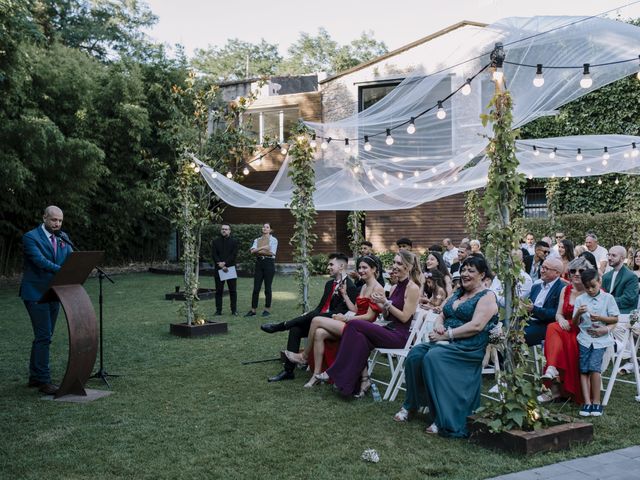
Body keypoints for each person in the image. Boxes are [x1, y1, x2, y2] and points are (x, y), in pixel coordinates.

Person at [393, 255, 499, 437]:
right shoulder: (458, 292)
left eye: (471, 271)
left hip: (468, 347)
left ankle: (441, 416)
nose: (465, 274)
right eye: (464, 269)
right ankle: (412, 405)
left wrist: (448, 334)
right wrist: (438, 326)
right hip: (445, 341)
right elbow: (442, 313)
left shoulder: (487, 297)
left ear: (482, 275)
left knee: (433, 357)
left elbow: (476, 326)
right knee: (416, 354)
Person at [315, 250, 421, 397]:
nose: (395, 266)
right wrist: (382, 305)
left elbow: (404, 318)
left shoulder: (413, 288)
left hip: (399, 337)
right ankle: (359, 383)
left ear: (408, 267)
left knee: (352, 325)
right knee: (359, 338)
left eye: (399, 263)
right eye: (394, 262)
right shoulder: (395, 287)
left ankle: (334, 371)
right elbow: (388, 315)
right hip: (388, 329)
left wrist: (385, 303)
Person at [284, 256, 384, 387]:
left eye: (365, 267)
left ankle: (304, 356)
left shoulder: (377, 288)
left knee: (316, 320)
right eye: (359, 267)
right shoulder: (364, 286)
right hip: (355, 323)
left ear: (374, 269)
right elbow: (356, 309)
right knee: (319, 332)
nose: (361, 270)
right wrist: (345, 296)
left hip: (363, 328)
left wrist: (346, 318)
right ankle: (316, 375)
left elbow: (369, 317)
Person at [260, 253, 357, 382]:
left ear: (341, 266)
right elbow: (320, 307)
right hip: (317, 319)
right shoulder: (329, 284)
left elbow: (339, 313)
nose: (328, 267)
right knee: (295, 329)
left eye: (331, 264)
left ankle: (280, 326)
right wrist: (309, 315)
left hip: (331, 324)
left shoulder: (350, 287)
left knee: (313, 316)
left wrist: (314, 315)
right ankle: (288, 371)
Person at [19, 206, 73, 395]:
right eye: (53, 220)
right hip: (35, 294)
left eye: (60, 221)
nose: (57, 224)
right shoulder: (30, 237)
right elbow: (40, 261)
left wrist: (75, 266)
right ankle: (44, 381)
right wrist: (63, 270)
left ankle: (35, 376)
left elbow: (71, 257)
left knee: (45, 336)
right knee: (43, 336)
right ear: (44, 218)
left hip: (55, 293)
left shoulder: (63, 237)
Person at [538, 256, 594, 404]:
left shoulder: (593, 290)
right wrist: (562, 319)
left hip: (584, 330)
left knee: (554, 332)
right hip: (565, 327)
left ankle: (555, 385)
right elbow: (558, 314)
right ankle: (552, 372)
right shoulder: (566, 289)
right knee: (553, 327)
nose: (576, 273)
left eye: (581, 271)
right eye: (573, 270)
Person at [573, 269, 619, 417]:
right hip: (585, 339)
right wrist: (579, 313)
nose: (591, 290)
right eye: (587, 287)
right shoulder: (580, 300)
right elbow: (575, 323)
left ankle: (596, 402)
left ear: (599, 282)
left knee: (594, 368)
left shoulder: (608, 298)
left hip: (600, 340)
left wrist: (601, 319)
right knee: (584, 368)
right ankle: (587, 402)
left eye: (593, 286)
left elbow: (615, 318)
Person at [524, 257, 565, 346]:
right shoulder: (536, 286)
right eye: (542, 267)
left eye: (546, 268)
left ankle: (510, 358)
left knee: (517, 336)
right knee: (502, 327)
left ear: (557, 273)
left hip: (545, 326)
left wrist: (534, 309)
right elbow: (529, 306)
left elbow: (556, 314)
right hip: (528, 321)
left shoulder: (562, 288)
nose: (542, 271)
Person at [246, 223, 278, 317]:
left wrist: (258, 251)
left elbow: (272, 253)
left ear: (270, 230)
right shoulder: (257, 240)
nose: (265, 228)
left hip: (269, 264)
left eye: (267, 227)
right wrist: (264, 247)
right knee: (256, 288)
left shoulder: (273, 240)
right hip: (259, 264)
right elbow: (252, 251)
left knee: (267, 288)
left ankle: (267, 309)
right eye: (264, 227)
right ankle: (253, 310)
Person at [602, 246, 639, 314]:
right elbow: (601, 295)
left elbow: (628, 299)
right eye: (609, 255)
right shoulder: (605, 276)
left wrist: (607, 302)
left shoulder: (631, 276)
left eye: (613, 255)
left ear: (622, 258)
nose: (609, 258)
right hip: (605, 312)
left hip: (623, 313)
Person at [212, 224, 239, 316]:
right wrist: (220, 264)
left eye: (226, 229)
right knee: (219, 291)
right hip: (219, 269)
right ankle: (218, 310)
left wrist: (225, 263)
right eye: (223, 229)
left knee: (233, 290)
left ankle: (234, 310)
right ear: (221, 231)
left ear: (229, 231)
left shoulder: (234, 241)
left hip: (230, 268)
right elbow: (214, 254)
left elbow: (233, 254)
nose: (224, 231)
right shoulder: (215, 242)